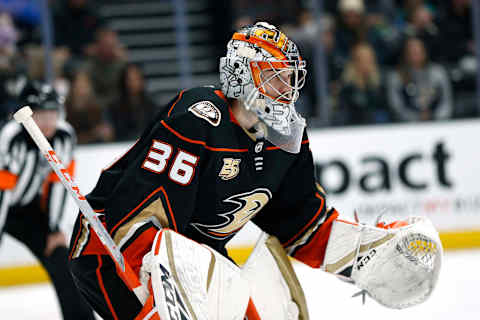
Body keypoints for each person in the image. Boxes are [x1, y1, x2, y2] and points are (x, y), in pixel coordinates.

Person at [68, 22, 442, 319]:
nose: (287, 88)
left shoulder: (287, 139)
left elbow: (302, 226)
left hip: (193, 257)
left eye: (290, 77)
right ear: (241, 76)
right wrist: (156, 294)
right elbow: (137, 217)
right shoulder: (196, 119)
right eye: (275, 76)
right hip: (110, 249)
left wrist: (363, 255)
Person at [0, 80, 95, 320]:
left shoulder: (64, 136)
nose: (48, 121)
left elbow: (59, 182)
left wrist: (53, 228)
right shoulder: (10, 137)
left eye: (53, 113)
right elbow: (3, 191)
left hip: (28, 208)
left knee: (62, 261)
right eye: (40, 114)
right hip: (4, 203)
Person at [387, 37, 453, 122]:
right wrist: (416, 118)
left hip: (438, 122)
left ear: (424, 52)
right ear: (405, 54)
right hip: (408, 125)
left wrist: (437, 118)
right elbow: (396, 107)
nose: (415, 54)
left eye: (418, 51)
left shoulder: (438, 73)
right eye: (411, 51)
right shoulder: (396, 77)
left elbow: (446, 101)